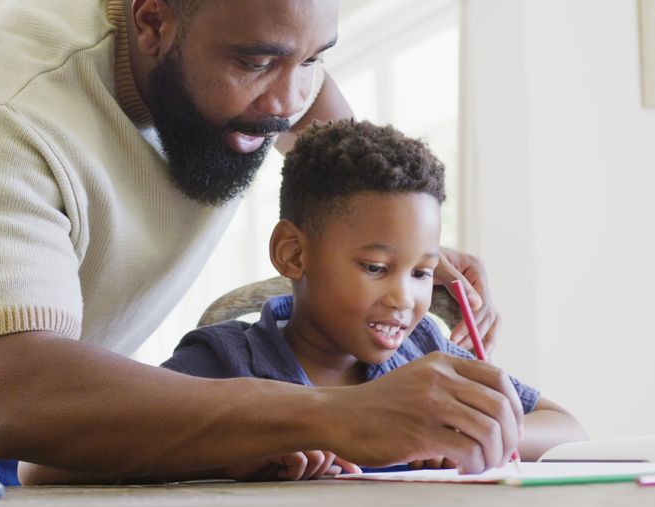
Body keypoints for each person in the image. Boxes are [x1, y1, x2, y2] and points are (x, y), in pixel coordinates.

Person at [0, 0, 513, 491]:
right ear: (151, 22)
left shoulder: (262, 47)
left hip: (46, 386)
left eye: (311, 59)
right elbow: (19, 400)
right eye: (253, 62)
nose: (286, 101)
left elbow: (328, 138)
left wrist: (403, 248)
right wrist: (338, 416)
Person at [47, 119, 583, 481]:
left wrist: (460, 434)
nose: (404, 297)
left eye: (422, 272)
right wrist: (232, 451)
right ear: (293, 255)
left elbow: (567, 429)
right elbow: (51, 465)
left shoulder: (424, 353)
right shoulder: (229, 361)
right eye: (375, 268)